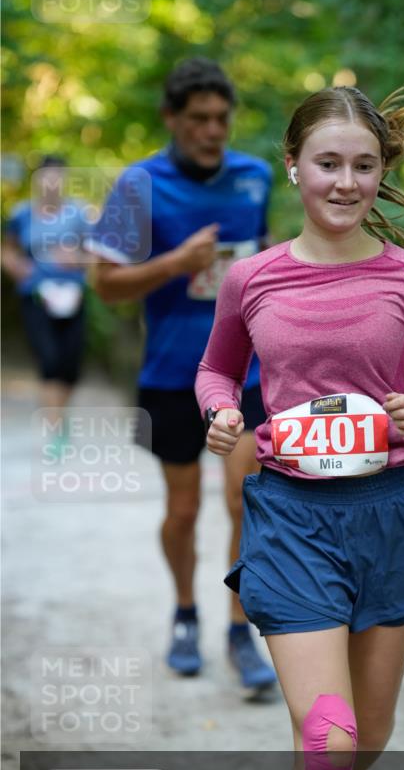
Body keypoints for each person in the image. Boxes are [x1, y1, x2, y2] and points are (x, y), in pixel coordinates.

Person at [196, 85, 404, 770]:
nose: (345, 182)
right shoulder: (251, 277)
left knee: (364, 735)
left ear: (382, 171)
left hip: (388, 515)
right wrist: (221, 409)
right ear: (293, 168)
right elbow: (217, 367)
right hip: (289, 518)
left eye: (362, 165)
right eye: (327, 163)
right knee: (330, 736)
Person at [88, 58, 277, 693]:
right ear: (172, 119)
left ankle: (237, 627)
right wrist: (174, 263)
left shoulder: (255, 177)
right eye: (199, 119)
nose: (213, 130)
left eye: (222, 118)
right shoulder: (139, 183)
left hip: (247, 375)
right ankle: (185, 615)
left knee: (243, 500)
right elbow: (105, 285)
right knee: (184, 509)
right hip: (171, 373)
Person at [2, 155, 89, 446]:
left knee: (70, 365)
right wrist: (18, 268)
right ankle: (55, 431)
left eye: (57, 176)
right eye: (46, 177)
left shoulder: (78, 215)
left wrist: (76, 259)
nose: (51, 183)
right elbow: (8, 250)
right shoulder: (22, 214)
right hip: (37, 296)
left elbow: (96, 256)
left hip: (73, 296)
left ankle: (58, 415)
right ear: (37, 180)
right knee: (49, 359)